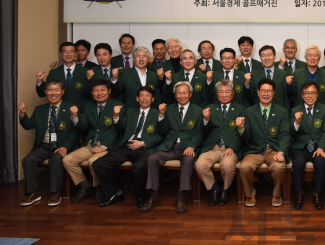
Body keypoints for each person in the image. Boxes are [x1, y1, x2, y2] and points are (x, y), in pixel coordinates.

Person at [92, 87, 168, 208]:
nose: (144, 98)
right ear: (137, 99)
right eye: (141, 96)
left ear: (153, 99)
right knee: (98, 164)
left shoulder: (157, 113)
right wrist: (116, 116)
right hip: (126, 146)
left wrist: (143, 143)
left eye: (147, 96)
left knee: (138, 167)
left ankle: (141, 196)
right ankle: (115, 193)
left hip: (144, 148)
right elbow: (120, 127)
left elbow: (161, 134)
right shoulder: (130, 111)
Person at [141, 81, 203, 214]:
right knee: (152, 158)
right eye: (179, 93)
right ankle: (153, 196)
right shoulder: (168, 109)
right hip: (169, 146)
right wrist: (161, 115)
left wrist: (192, 146)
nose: (182, 96)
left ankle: (180, 197)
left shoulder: (198, 110)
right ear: (175, 95)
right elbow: (162, 131)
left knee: (188, 160)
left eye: (184, 93)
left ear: (190, 94)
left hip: (187, 147)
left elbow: (199, 133)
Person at [63, 79, 124, 204]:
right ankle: (85, 186)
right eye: (96, 91)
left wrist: (105, 146)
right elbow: (83, 127)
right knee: (68, 160)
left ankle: (99, 188)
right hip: (90, 144)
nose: (99, 93)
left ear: (109, 91)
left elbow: (119, 129)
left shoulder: (117, 105)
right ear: (91, 92)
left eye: (102, 90)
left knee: (93, 161)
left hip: (107, 145)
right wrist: (74, 117)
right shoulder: (88, 106)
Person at [18, 79, 78, 207]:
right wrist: (22, 114)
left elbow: (76, 131)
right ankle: (33, 193)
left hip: (62, 146)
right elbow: (29, 125)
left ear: (62, 92)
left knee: (56, 159)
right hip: (44, 146)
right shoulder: (40, 109)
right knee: (28, 160)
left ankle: (56, 193)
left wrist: (65, 146)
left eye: (56, 90)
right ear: (45, 92)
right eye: (50, 90)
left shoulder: (70, 108)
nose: (53, 93)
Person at [238, 78, 290, 207]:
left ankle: (277, 194)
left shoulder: (281, 111)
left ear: (273, 93)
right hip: (254, 150)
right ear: (258, 92)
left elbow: (285, 134)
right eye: (263, 91)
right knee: (244, 167)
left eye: (269, 91)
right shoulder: (249, 111)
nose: (266, 94)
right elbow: (246, 136)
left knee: (279, 167)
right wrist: (241, 129)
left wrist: (281, 151)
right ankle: (250, 194)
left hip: (273, 150)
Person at [196, 80, 246, 207]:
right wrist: (205, 120)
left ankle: (225, 189)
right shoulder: (210, 108)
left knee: (228, 165)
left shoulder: (240, 109)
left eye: (227, 92)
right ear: (217, 94)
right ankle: (214, 189)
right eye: (221, 92)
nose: (224, 95)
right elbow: (203, 131)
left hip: (229, 148)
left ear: (233, 93)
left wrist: (233, 148)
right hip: (212, 148)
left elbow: (242, 133)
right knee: (200, 164)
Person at [290, 81, 325, 211]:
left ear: (317, 95)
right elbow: (290, 132)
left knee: (320, 162)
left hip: (317, 147)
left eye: (313, 93)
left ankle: (317, 193)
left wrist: (321, 148)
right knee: (298, 162)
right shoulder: (295, 110)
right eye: (307, 93)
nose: (310, 96)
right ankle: (299, 193)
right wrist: (296, 122)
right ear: (302, 95)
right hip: (300, 148)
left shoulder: (324, 109)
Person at [36, 42, 90, 108]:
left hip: (80, 112)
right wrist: (40, 81)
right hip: (59, 112)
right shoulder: (54, 72)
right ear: (60, 54)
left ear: (76, 54)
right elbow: (42, 94)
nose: (68, 54)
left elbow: (90, 94)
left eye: (71, 51)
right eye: (65, 51)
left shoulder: (86, 72)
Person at [289, 45, 325, 110]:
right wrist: (288, 85)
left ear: (319, 58)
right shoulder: (297, 73)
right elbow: (292, 94)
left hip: (321, 112)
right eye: (310, 55)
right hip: (301, 111)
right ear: (305, 58)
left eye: (315, 55)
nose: (312, 58)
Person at [247, 45, 290, 110]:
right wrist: (247, 84)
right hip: (259, 111)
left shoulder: (283, 74)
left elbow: (286, 97)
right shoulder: (254, 74)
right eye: (263, 55)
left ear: (275, 56)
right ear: (260, 58)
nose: (266, 58)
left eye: (269, 55)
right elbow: (250, 96)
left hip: (279, 112)